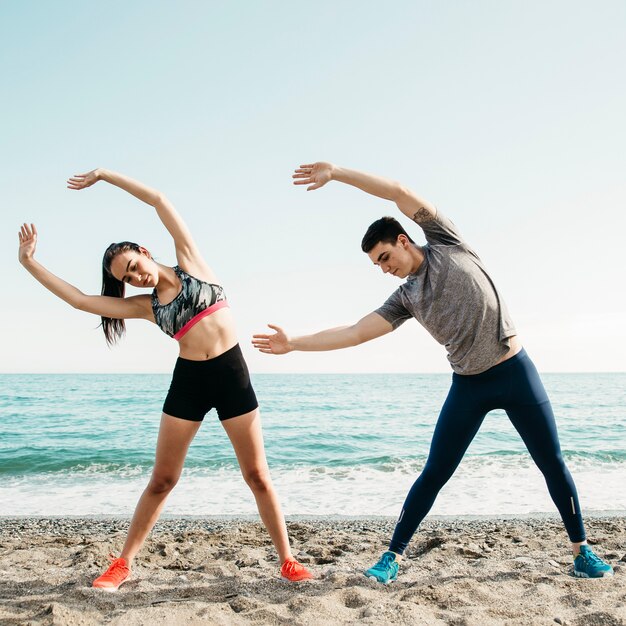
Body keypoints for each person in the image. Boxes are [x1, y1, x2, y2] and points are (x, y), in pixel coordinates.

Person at [252, 161, 614, 583]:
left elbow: (399, 190)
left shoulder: (447, 242)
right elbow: (354, 333)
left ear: (404, 241)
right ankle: (392, 556)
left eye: (385, 257)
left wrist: (336, 174)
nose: (385, 268)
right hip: (469, 386)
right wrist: (295, 343)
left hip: (515, 371)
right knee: (435, 472)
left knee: (551, 462)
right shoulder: (405, 297)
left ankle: (581, 551)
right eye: (377, 265)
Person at [17, 168, 313, 590]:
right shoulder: (145, 306)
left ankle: (287, 560)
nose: (137, 278)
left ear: (144, 251)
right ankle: (122, 563)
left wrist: (104, 175)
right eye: (128, 278)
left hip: (232, 374)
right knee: (163, 479)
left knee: (257, 475)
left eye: (135, 266)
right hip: (189, 381)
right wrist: (30, 263)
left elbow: (158, 199)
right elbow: (81, 300)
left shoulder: (191, 261)